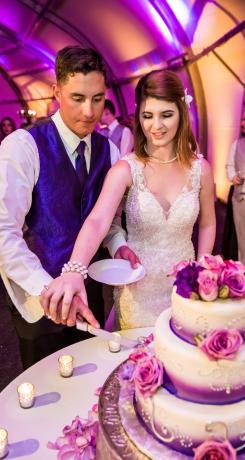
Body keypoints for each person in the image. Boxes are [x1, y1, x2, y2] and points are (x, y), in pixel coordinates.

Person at [41, 69, 216, 330]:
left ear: (181, 112)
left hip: (184, 290)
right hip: (139, 292)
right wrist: (74, 270)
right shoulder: (126, 169)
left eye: (166, 115)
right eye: (147, 116)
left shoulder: (201, 169)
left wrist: (203, 270)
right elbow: (97, 221)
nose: (156, 126)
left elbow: (207, 223)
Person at [0, 46, 126, 368]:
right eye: (77, 98)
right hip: (39, 300)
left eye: (97, 99)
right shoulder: (22, 146)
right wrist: (49, 289)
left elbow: (106, 221)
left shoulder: (109, 151)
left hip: (92, 294)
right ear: (56, 91)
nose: (88, 112)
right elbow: (3, 232)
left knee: (90, 386)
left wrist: (119, 244)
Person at [226, 110, 245, 264]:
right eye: (243, 119)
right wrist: (233, 176)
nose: (242, 124)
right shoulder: (236, 145)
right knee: (241, 235)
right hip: (240, 198)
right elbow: (229, 166)